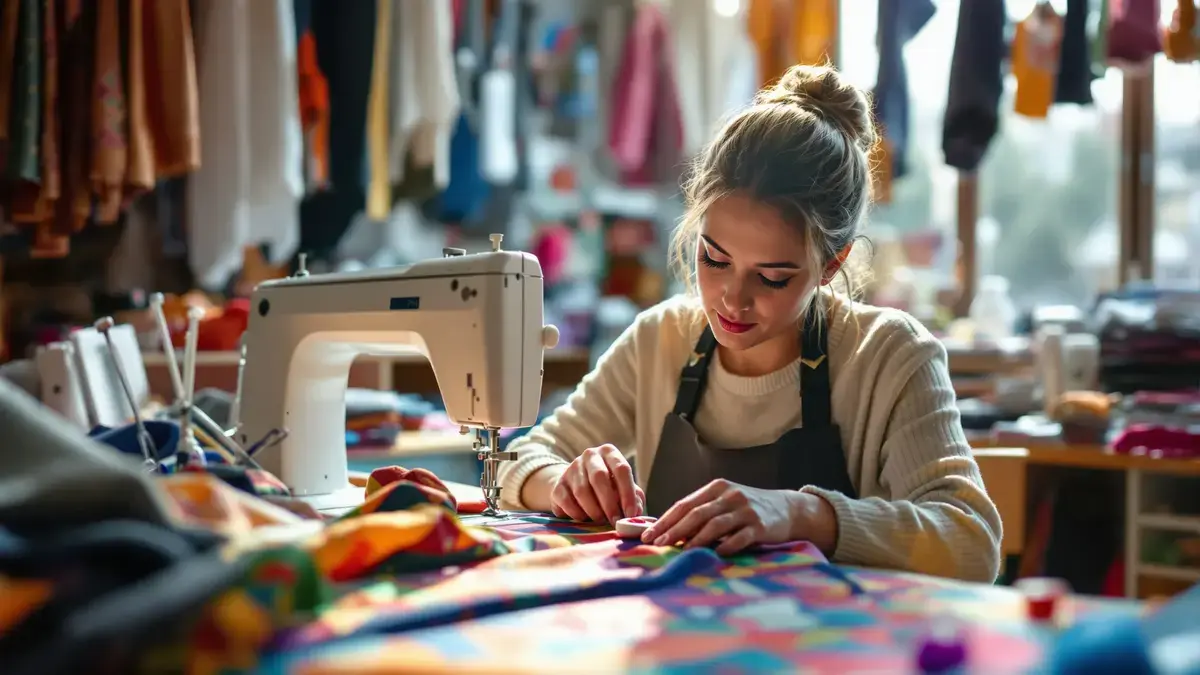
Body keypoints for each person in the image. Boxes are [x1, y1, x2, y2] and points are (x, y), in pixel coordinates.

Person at [497, 64, 1002, 583]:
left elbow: (972, 544)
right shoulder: (660, 340)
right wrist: (565, 482)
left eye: (772, 278)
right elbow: (516, 459)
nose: (733, 300)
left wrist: (805, 515)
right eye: (714, 259)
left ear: (831, 265)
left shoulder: (888, 356)